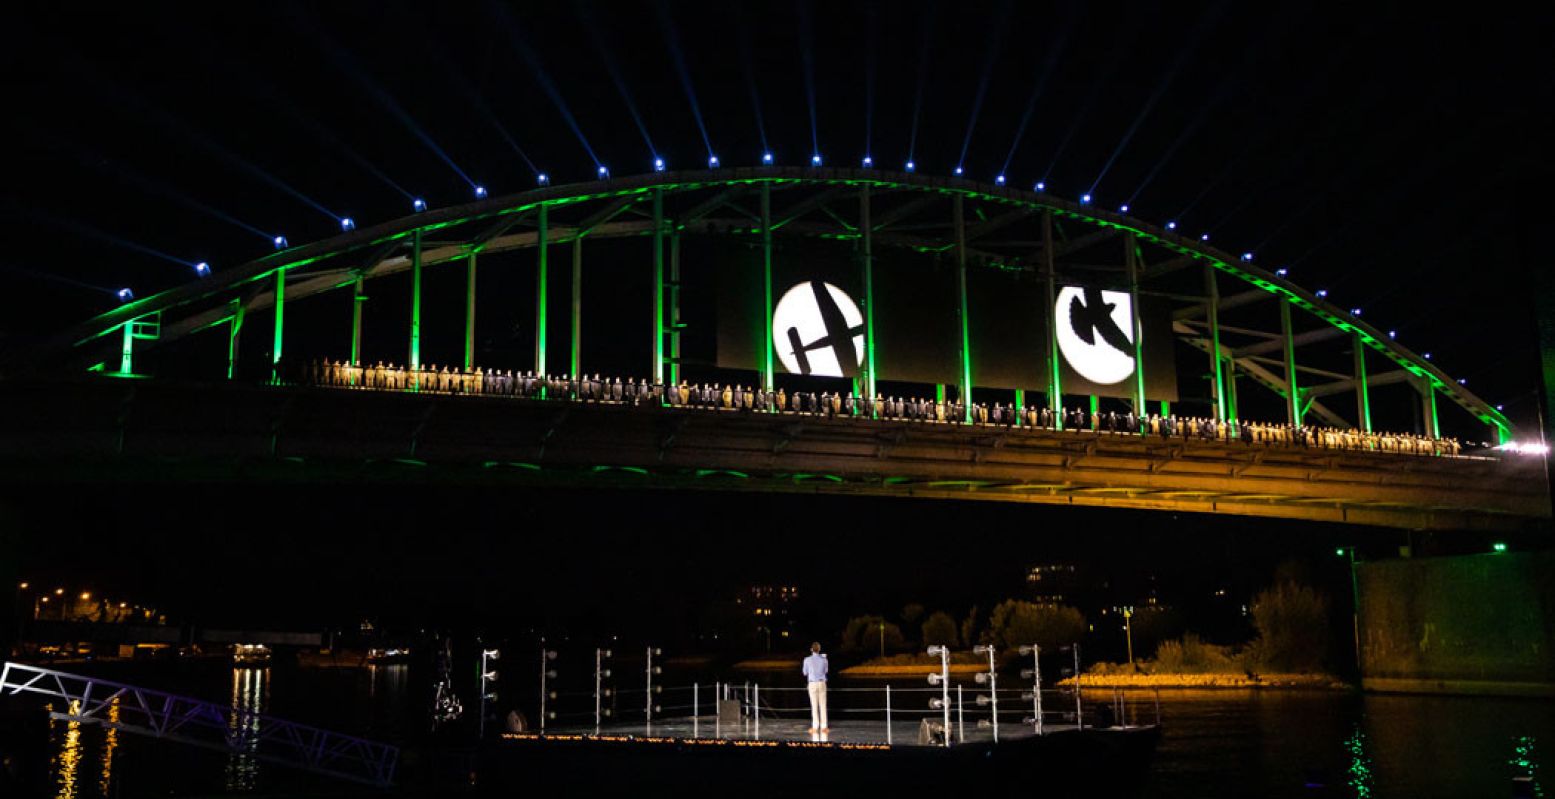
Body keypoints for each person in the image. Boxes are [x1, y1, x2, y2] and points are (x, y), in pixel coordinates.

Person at [802, 641, 829, 734]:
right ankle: (824, 727)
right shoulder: (824, 659)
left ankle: (815, 727)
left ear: (811, 650)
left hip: (812, 684)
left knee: (814, 706)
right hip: (822, 683)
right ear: (819, 649)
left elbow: (804, 673)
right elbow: (826, 671)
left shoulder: (806, 660)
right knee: (823, 705)